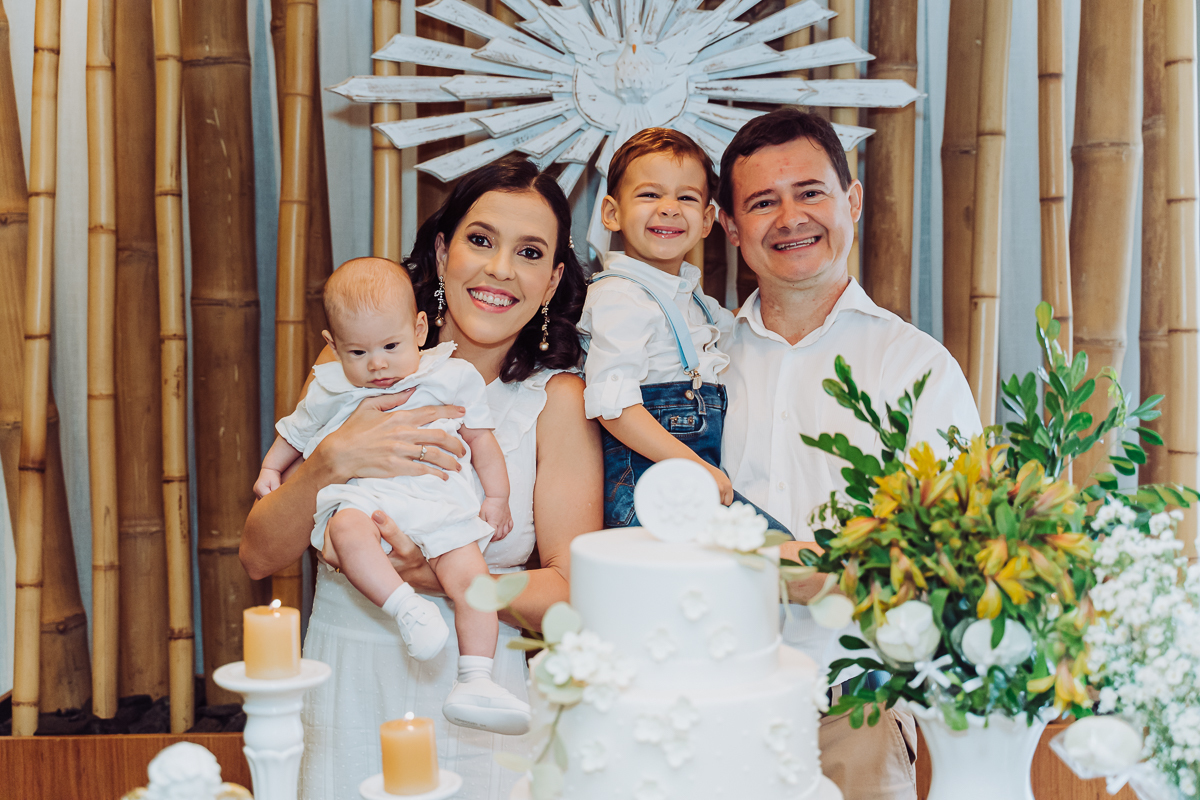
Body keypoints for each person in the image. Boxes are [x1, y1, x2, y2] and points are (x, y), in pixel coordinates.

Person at [240, 156, 603, 800]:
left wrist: (437, 576)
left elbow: (574, 596)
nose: (499, 269)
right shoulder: (355, 364)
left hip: (482, 695)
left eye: (529, 252)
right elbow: (259, 554)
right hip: (350, 678)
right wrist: (330, 461)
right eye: (481, 240)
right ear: (441, 253)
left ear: (550, 283)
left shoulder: (558, 400)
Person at [716, 108, 982, 799]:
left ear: (852, 200)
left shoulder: (915, 367)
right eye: (762, 202)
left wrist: (838, 573)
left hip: (856, 708)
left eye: (810, 192)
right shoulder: (700, 361)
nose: (790, 217)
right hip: (709, 703)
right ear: (731, 227)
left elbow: (961, 551)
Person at [254, 257, 530, 735]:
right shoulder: (331, 386)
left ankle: (476, 677)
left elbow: (481, 439)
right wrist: (270, 469)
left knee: (473, 581)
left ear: (420, 328)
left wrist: (498, 497)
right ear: (334, 346)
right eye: (358, 352)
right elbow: (295, 433)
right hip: (370, 498)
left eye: (390, 346)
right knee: (344, 528)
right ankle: (405, 607)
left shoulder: (451, 376)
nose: (377, 364)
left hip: (439, 500)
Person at [579, 128, 788, 535]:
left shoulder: (693, 301)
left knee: (776, 548)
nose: (669, 209)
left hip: (686, 473)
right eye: (649, 194)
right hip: (647, 484)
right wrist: (692, 465)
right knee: (770, 550)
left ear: (708, 219)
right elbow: (613, 406)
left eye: (687, 197)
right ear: (611, 213)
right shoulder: (619, 296)